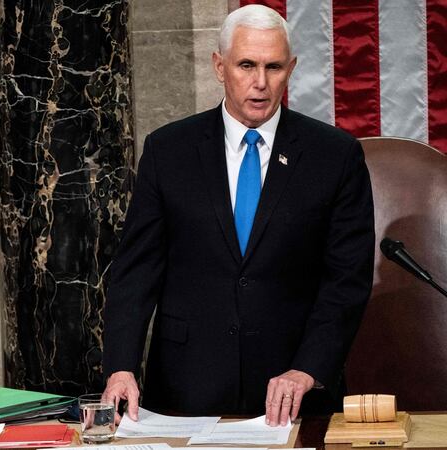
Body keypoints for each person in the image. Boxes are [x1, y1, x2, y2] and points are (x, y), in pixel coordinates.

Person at [102, 4, 374, 427]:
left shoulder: (334, 157)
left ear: (292, 68)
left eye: (274, 67)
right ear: (219, 66)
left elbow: (347, 280)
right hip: (185, 391)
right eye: (246, 65)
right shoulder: (168, 152)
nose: (260, 83)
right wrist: (120, 366)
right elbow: (135, 271)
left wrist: (308, 368)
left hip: (293, 394)